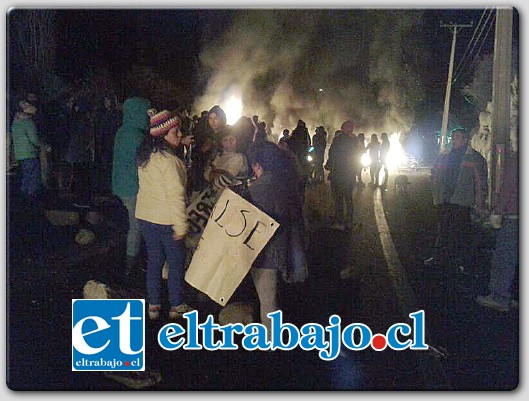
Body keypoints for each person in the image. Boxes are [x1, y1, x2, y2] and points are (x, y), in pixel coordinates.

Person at [135, 109, 193, 321]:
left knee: (154, 261)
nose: (179, 135)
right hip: (167, 221)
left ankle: (154, 305)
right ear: (163, 135)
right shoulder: (171, 162)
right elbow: (176, 197)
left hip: (146, 217)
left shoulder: (146, 156)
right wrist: (181, 227)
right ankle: (176, 304)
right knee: (176, 264)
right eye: (175, 132)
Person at [245, 140, 305, 341]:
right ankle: (275, 337)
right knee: (274, 298)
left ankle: (270, 343)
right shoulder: (286, 181)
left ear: (258, 165)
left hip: (265, 252)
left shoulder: (260, 187)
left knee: (267, 301)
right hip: (285, 247)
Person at [427, 128, 488, 269]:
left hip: (462, 202)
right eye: (453, 137)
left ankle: (461, 262)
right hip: (445, 200)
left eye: (458, 137)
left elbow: (480, 182)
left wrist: (480, 203)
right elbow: (435, 172)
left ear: (466, 140)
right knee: (443, 230)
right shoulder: (445, 156)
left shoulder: (474, 158)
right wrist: (436, 193)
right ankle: (440, 258)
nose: (454, 140)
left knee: (460, 233)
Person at [112, 96, 151, 278]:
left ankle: (125, 257)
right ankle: (131, 264)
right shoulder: (138, 137)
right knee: (135, 228)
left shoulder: (121, 131)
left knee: (128, 224)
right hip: (133, 187)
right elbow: (142, 166)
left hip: (119, 184)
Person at [476, 151, 518, 312]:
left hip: (513, 215)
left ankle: (499, 297)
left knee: (504, 257)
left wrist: (498, 211)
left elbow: (508, 185)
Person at [10, 100, 51, 199]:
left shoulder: (15, 122)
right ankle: (32, 201)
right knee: (33, 178)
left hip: (20, 154)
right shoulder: (28, 122)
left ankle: (24, 199)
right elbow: (34, 139)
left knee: (26, 177)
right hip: (30, 153)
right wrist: (45, 146)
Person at [324, 121, 358, 230]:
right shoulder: (354, 140)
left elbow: (332, 153)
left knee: (338, 197)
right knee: (348, 198)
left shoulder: (338, 140)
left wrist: (328, 165)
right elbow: (358, 155)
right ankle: (349, 220)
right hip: (350, 173)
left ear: (342, 128)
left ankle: (339, 220)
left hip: (339, 173)